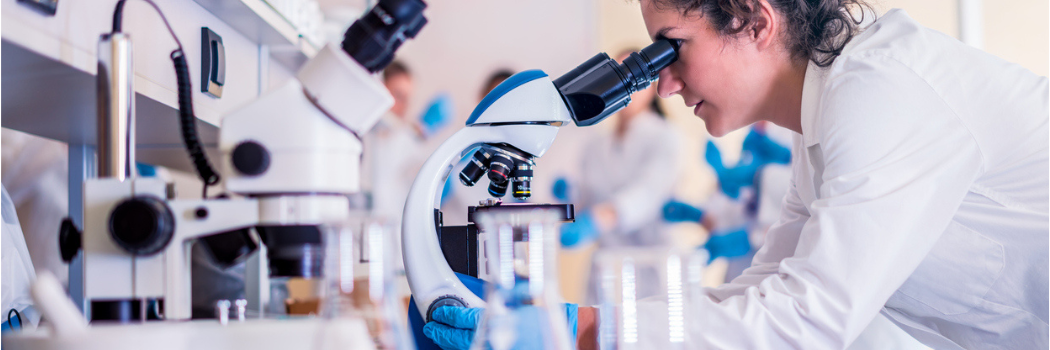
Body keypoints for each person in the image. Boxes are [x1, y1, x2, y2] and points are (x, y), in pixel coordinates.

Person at [425, 0, 1049, 348]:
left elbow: (806, 320)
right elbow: (766, 290)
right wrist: (579, 324)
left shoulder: (883, 90)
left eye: (671, 48)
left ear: (754, 20)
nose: (665, 83)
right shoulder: (825, 117)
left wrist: (578, 333)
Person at [558, 49, 682, 251]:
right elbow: (590, 198)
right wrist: (571, 195)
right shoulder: (596, 145)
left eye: (634, 77)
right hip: (606, 260)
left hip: (650, 260)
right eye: (616, 77)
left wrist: (598, 220)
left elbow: (647, 193)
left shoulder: (664, 136)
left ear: (651, 85)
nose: (625, 85)